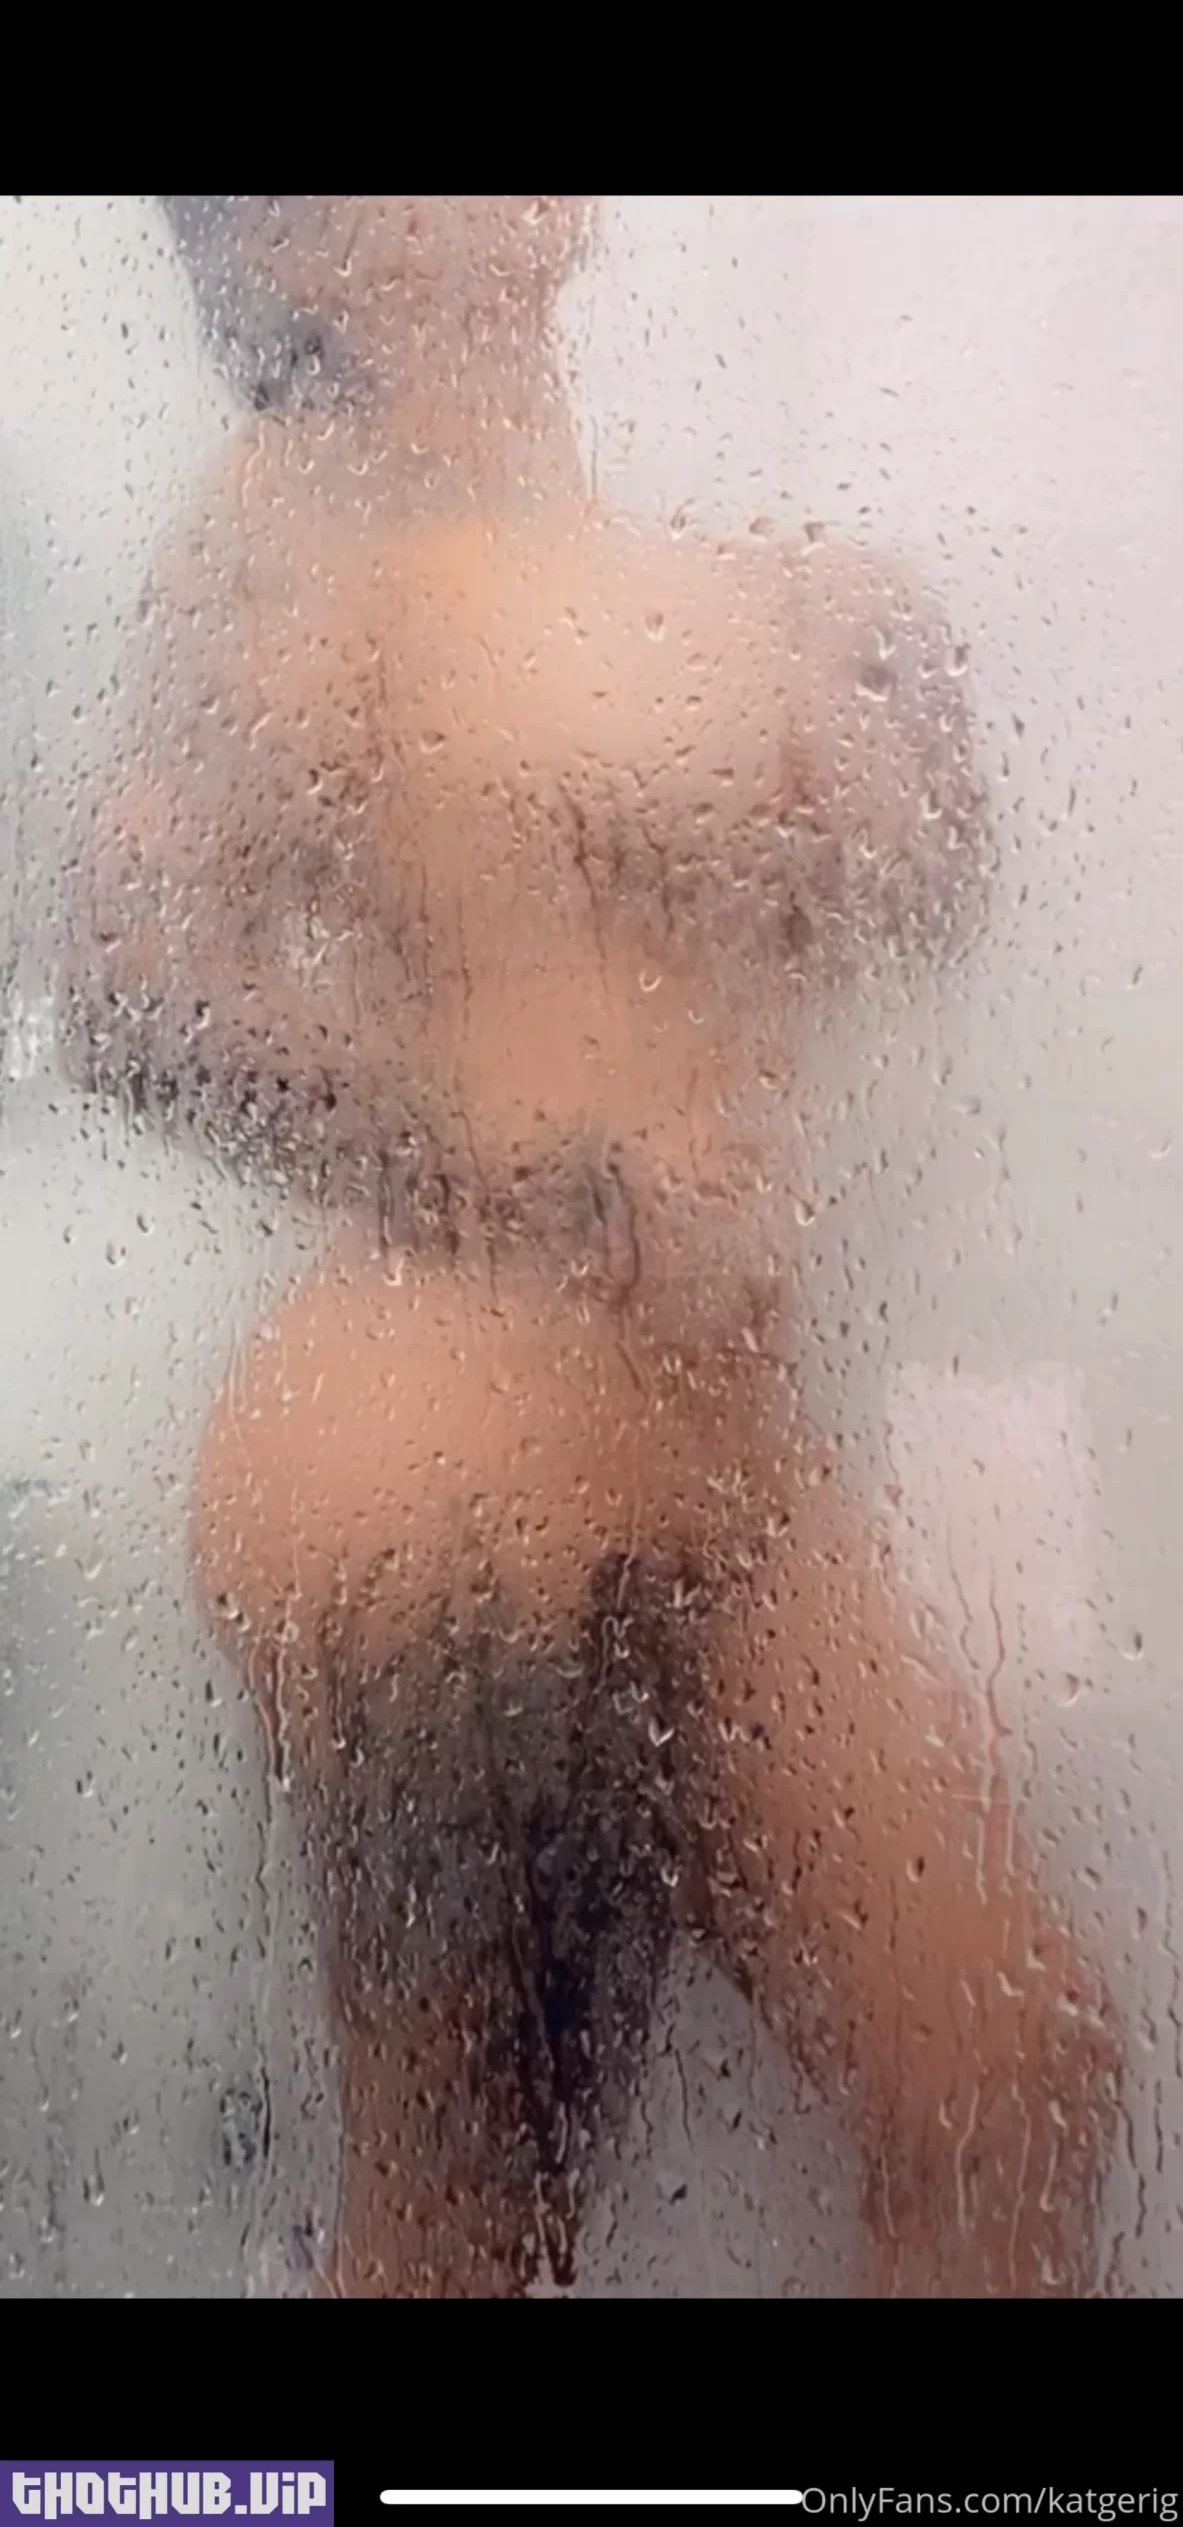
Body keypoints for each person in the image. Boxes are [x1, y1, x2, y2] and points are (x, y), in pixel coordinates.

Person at [60, 196, 1118, 2298]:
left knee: (1010, 2082)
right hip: (456, 1458)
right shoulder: (304, 520)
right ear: (307, 250)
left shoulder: (644, 562)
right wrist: (569, 1191)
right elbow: (132, 980)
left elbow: (876, 918)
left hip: (718, 1442)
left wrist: (886, 720)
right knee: (469, 2223)